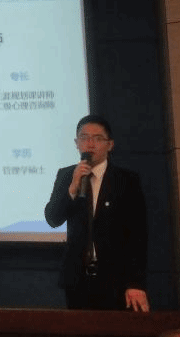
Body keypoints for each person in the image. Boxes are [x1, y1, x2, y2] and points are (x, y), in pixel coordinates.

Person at [44, 114, 149, 311]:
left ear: (110, 145)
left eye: (97, 138)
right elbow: (52, 219)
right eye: (84, 138)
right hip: (76, 278)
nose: (90, 144)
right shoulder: (66, 175)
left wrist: (135, 282)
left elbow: (138, 235)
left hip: (116, 279)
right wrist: (73, 188)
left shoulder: (126, 180)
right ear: (76, 143)